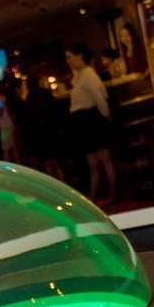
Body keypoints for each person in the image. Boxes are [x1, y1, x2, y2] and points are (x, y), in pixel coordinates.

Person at [64, 42, 117, 204]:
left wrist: (105, 120)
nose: (67, 61)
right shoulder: (81, 75)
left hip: (91, 121)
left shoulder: (88, 74)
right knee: (95, 162)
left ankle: (108, 195)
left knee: (102, 160)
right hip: (86, 122)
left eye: (69, 57)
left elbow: (101, 100)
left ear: (79, 56)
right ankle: (96, 197)